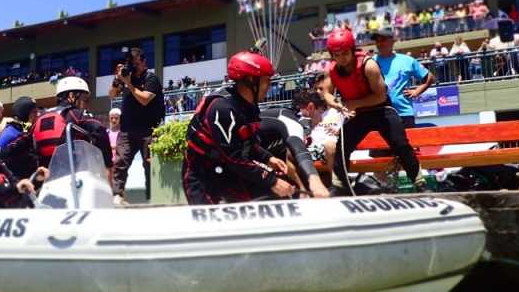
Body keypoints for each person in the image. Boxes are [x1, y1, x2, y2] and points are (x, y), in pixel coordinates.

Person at [182, 50, 295, 204]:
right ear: (250, 80)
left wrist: (268, 158)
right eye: (266, 80)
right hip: (201, 174)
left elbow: (247, 143)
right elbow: (234, 157)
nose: (270, 85)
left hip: (226, 171)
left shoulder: (249, 106)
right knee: (210, 221)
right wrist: (272, 181)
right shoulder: (222, 109)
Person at [319, 29, 423, 196]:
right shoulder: (332, 70)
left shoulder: (369, 65)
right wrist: (335, 104)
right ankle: (340, 187)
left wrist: (352, 103)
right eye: (336, 54)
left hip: (382, 110)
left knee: (400, 144)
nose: (341, 58)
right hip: (359, 114)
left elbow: (380, 97)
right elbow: (327, 93)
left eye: (345, 53)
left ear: (352, 50)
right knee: (341, 148)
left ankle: (420, 184)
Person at [108, 48, 164, 205]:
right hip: (127, 129)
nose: (134, 67)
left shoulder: (151, 78)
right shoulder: (128, 77)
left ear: (144, 61)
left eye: (136, 63)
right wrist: (117, 80)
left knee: (149, 165)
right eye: (132, 64)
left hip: (149, 130)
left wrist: (129, 85)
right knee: (120, 162)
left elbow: (145, 99)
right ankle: (117, 195)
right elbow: (112, 94)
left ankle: (151, 198)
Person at [30, 77, 113, 175]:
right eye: (85, 99)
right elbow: (99, 129)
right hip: (74, 172)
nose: (86, 104)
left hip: (47, 176)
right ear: (72, 96)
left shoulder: (41, 116)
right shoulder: (75, 113)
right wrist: (108, 164)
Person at [372, 30, 434, 128]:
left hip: (404, 114)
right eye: (377, 41)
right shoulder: (370, 62)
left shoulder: (407, 60)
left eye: (383, 40)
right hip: (379, 114)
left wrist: (416, 91)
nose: (379, 43)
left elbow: (429, 78)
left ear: (392, 41)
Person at [0, 96, 41, 180]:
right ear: (26, 115)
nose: (37, 114)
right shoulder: (10, 134)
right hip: (19, 183)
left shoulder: (23, 129)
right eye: (34, 112)